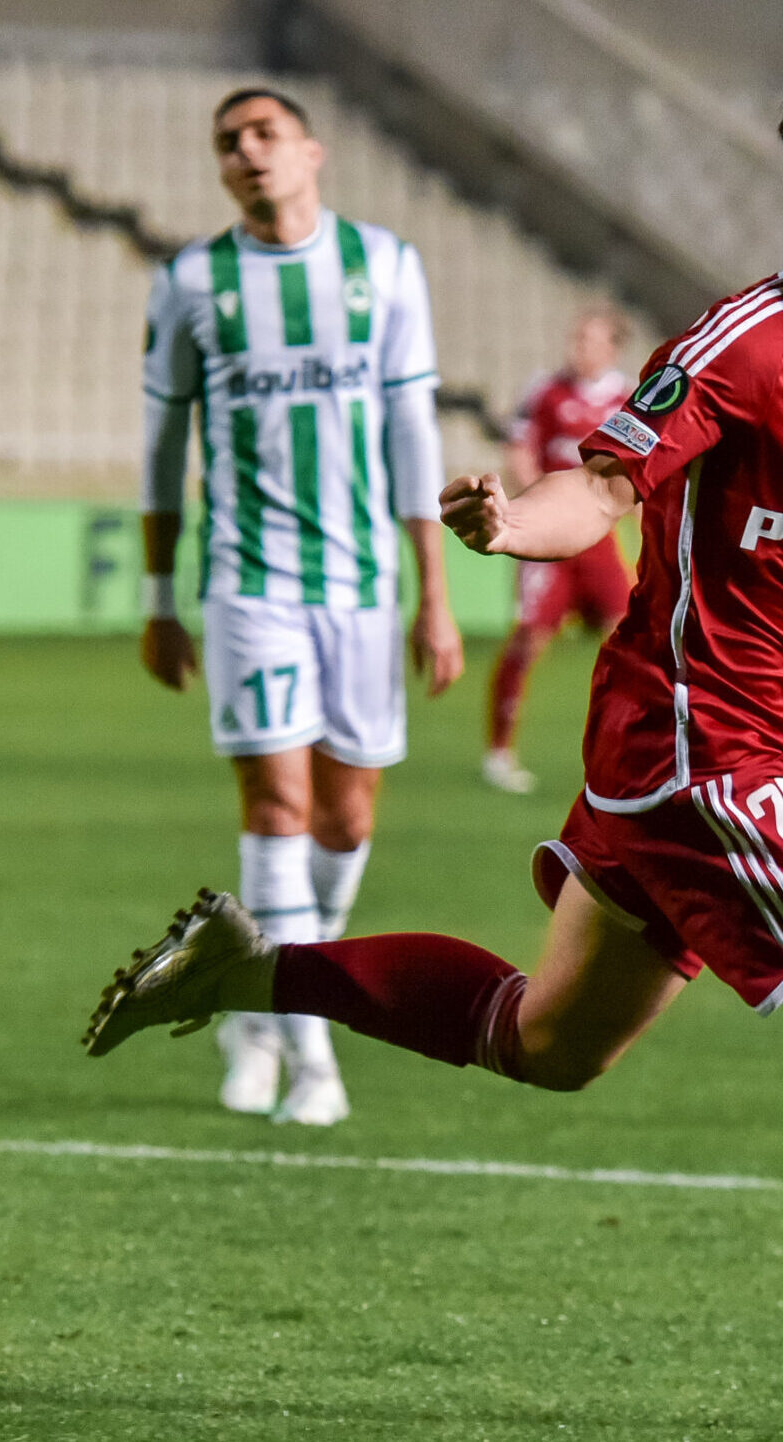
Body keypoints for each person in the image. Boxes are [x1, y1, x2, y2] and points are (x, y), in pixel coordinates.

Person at [87, 42, 783, 1418]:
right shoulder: (744, 348)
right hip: (706, 754)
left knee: (545, 1040)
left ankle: (254, 974)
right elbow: (610, 486)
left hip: (689, 762)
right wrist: (515, 524)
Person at [136, 88, 465, 1125]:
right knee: (277, 808)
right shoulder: (193, 279)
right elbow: (162, 447)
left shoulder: (386, 267)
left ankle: (253, 1003)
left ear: (312, 151)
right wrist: (158, 593)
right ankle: (314, 1058)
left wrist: (435, 598)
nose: (245, 152)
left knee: (347, 815)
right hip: (248, 584)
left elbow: (414, 432)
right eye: (227, 142)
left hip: (366, 587)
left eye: (263, 135)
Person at [481, 308, 634, 795]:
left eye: (590, 340)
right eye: (577, 337)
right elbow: (520, 447)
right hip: (550, 539)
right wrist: (535, 501)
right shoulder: (546, 389)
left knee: (629, 646)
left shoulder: (628, 397)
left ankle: (623, 756)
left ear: (611, 348)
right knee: (529, 641)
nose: (579, 348)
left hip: (599, 539)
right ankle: (499, 752)